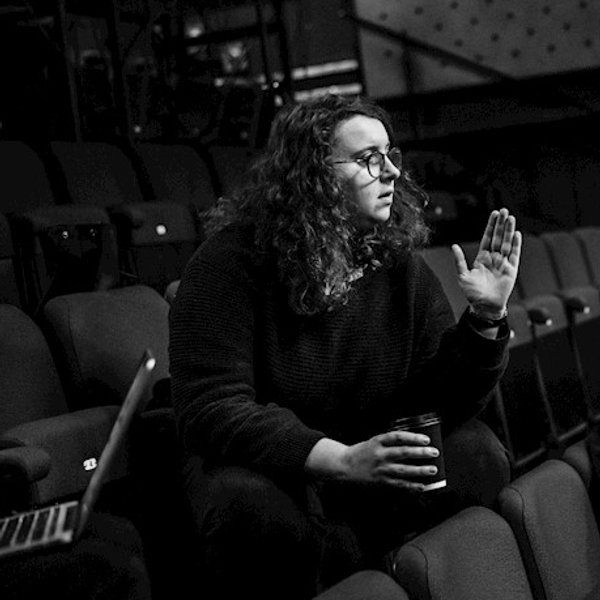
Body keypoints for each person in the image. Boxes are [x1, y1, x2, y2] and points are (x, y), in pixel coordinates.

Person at [169, 93, 522, 599]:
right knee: (244, 500)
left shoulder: (398, 266)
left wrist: (486, 319)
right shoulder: (228, 264)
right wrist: (343, 459)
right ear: (310, 176)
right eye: (366, 159)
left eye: (389, 155)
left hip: (369, 451)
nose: (391, 173)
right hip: (285, 468)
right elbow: (211, 408)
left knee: (474, 453)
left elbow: (444, 401)